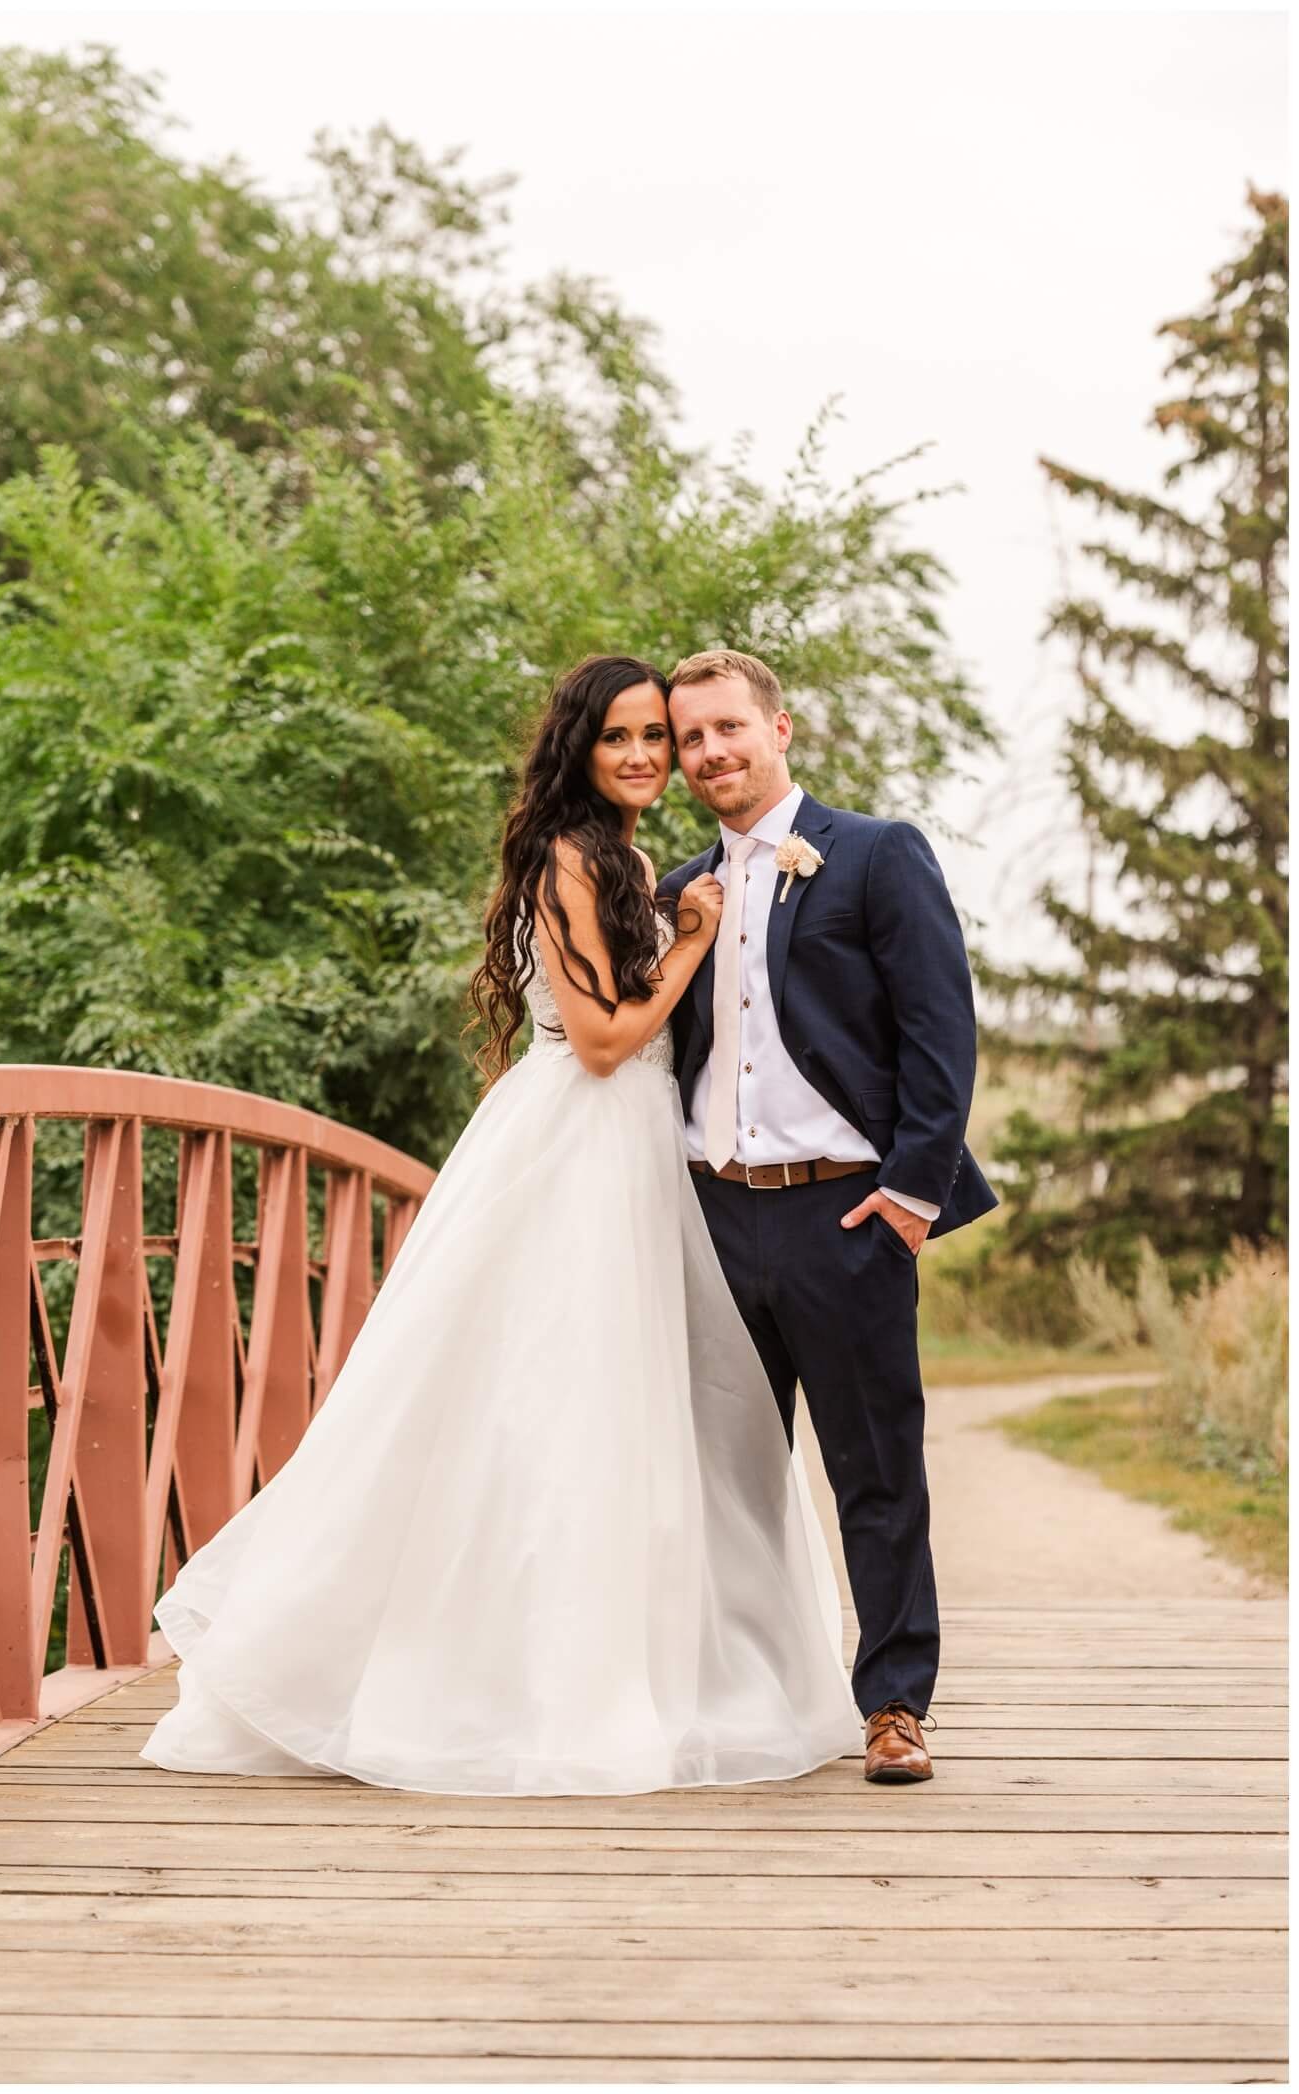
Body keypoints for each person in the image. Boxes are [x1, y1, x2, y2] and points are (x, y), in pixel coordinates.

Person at [140, 654, 864, 1796]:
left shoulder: (626, 856)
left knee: (616, 1412)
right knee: (540, 1400)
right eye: (617, 738)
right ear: (577, 750)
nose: (641, 757)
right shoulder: (577, 857)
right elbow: (601, 1040)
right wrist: (687, 939)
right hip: (574, 1138)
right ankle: (495, 1681)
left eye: (653, 740)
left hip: (632, 1151)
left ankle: (610, 1665)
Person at [655, 649, 998, 1784]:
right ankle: (741, 1693)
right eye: (688, 737)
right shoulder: (674, 890)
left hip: (843, 1217)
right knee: (721, 1477)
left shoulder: (873, 854)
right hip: (711, 1216)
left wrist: (905, 1196)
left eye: (725, 728)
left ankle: (894, 1704)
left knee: (873, 1469)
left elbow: (939, 1034)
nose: (708, 752)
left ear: (778, 727)